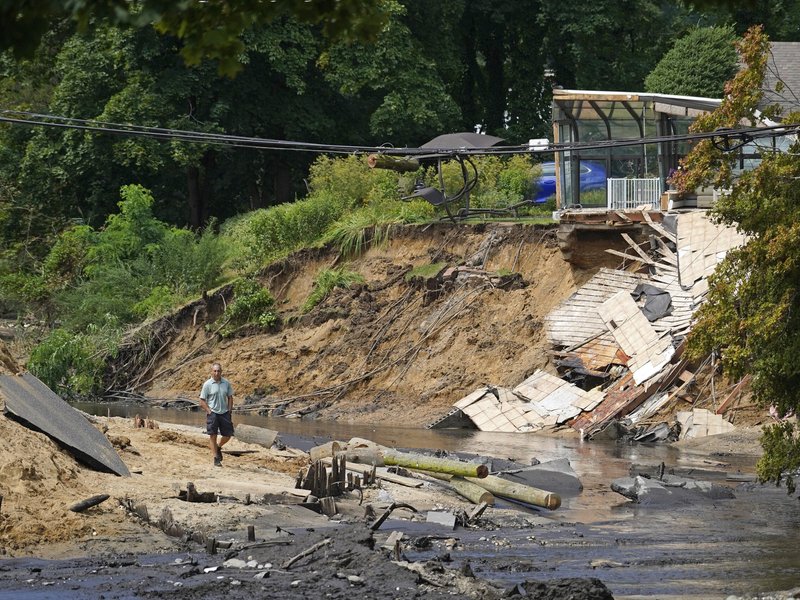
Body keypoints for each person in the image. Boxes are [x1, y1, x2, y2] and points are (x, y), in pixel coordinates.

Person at [198, 363, 234, 467]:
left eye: (218, 371)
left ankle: (218, 447)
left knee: (228, 434)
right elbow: (202, 400)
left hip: (224, 413)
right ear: (211, 372)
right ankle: (215, 458)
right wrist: (209, 411)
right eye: (215, 371)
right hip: (213, 413)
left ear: (221, 372)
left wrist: (229, 410)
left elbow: (230, 397)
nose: (217, 373)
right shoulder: (207, 384)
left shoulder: (226, 383)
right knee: (213, 435)